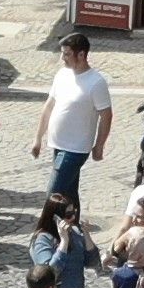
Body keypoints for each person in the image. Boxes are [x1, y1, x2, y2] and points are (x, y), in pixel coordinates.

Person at [42, 32, 114, 202]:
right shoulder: (62, 74)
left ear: (81, 54)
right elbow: (49, 105)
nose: (62, 58)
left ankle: (45, 227)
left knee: (53, 195)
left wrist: (99, 145)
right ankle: (73, 226)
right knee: (69, 194)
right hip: (58, 144)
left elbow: (106, 115)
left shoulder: (96, 82)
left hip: (76, 149)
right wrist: (38, 138)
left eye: (67, 54)